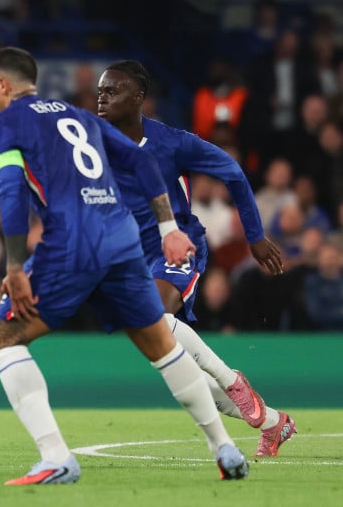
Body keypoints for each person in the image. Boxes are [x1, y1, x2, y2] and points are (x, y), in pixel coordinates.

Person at [0, 47, 248, 485]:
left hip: (72, 242)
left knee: (3, 340)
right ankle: (224, 447)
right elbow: (141, 160)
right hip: (122, 240)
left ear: (4, 85)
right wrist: (168, 230)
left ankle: (55, 457)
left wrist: (14, 266)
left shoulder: (3, 125)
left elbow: (11, 193)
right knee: (161, 344)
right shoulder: (78, 115)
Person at [97, 60, 296, 457]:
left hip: (176, 244)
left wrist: (255, 236)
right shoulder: (90, 144)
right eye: (100, 91)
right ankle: (273, 422)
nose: (102, 98)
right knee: (168, 358)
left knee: (154, 316)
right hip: (127, 256)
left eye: (112, 91)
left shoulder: (172, 142)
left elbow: (233, 172)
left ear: (138, 98)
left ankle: (233, 382)